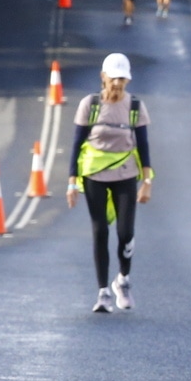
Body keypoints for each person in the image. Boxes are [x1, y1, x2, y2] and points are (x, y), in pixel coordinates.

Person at [66, 52, 153, 313]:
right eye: (113, 79)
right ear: (103, 77)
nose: (117, 84)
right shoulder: (90, 104)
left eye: (122, 80)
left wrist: (147, 181)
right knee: (100, 230)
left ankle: (122, 280)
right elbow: (76, 145)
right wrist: (72, 184)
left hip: (126, 174)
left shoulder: (135, 106)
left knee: (126, 232)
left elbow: (144, 145)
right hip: (94, 175)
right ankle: (102, 291)